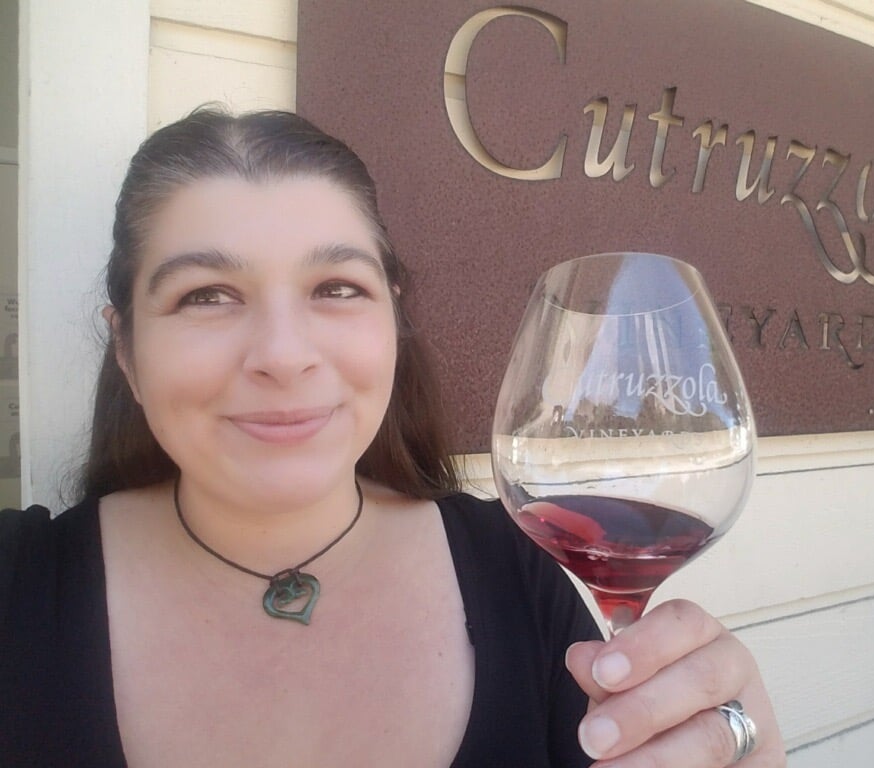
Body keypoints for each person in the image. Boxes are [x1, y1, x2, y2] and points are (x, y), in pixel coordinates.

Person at [0, 107, 785, 767]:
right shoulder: (16, 586)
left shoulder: (517, 573)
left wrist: (747, 746)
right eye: (206, 295)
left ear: (392, 320)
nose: (283, 354)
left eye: (336, 288)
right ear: (127, 349)